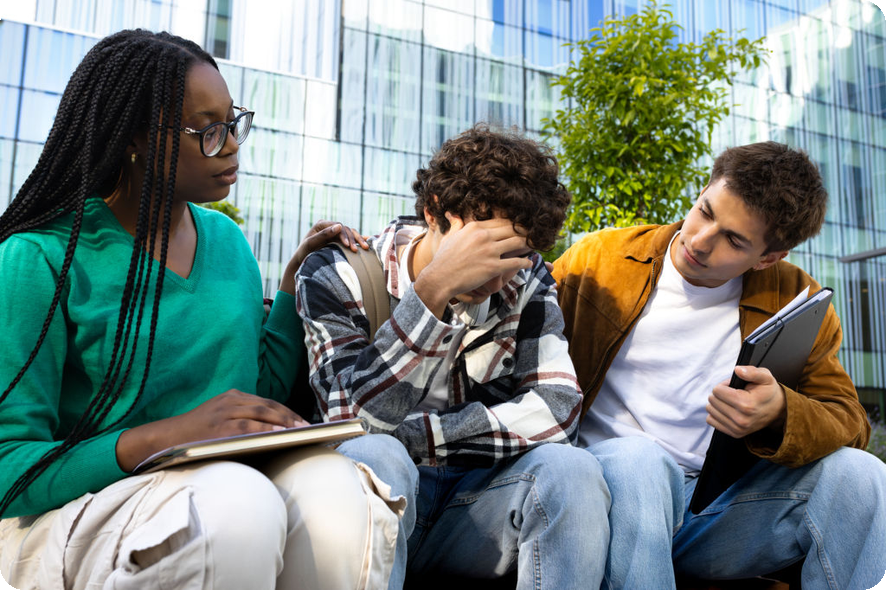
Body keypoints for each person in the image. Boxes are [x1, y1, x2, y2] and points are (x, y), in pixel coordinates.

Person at [0, 29, 404, 590]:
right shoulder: (38, 256)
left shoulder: (228, 242)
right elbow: (9, 468)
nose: (233, 145)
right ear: (137, 138)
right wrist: (169, 436)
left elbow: (249, 387)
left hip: (227, 484)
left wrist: (292, 287)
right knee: (238, 506)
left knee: (340, 500)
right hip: (79, 512)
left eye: (233, 123)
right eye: (208, 132)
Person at [552, 141, 886, 589]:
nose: (700, 240)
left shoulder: (796, 298)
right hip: (606, 493)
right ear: (703, 190)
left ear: (768, 258)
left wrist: (780, 412)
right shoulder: (599, 260)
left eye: (733, 240)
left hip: (710, 512)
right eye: (705, 212)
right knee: (639, 458)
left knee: (864, 475)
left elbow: (850, 420)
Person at [295, 124, 610, 588]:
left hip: (476, 504)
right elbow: (352, 423)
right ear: (433, 212)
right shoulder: (338, 273)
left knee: (573, 469)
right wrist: (432, 291)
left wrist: (416, 435)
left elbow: (557, 412)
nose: (496, 277)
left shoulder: (527, 282)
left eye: (513, 257)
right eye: (483, 250)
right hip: (375, 499)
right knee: (376, 453)